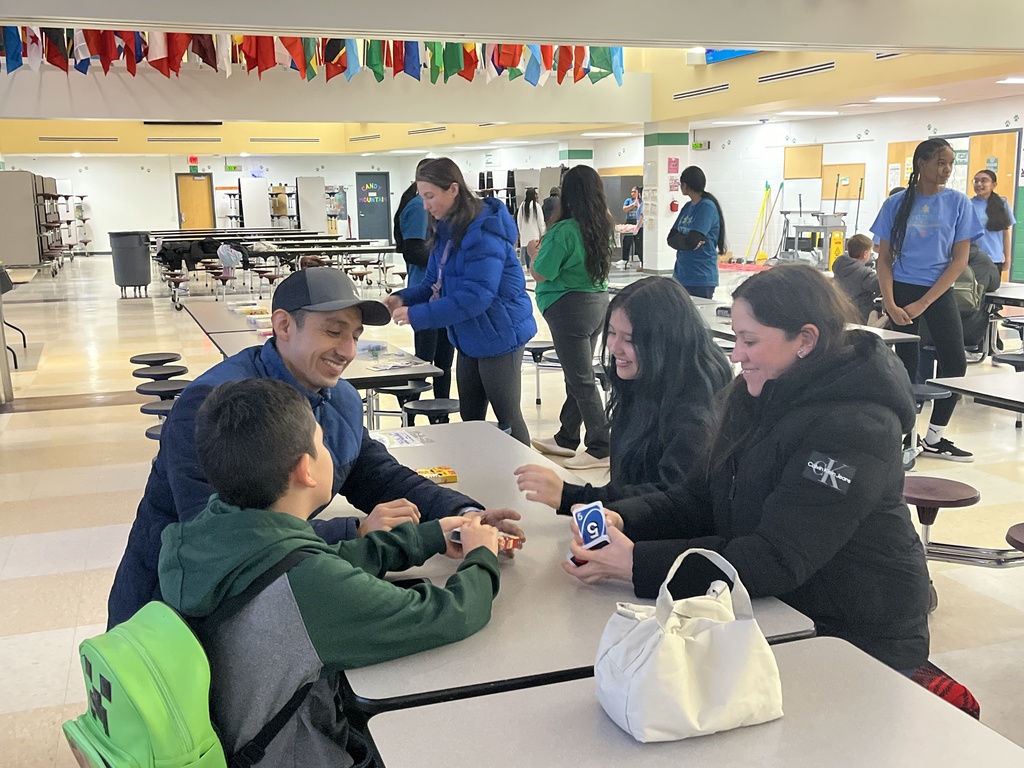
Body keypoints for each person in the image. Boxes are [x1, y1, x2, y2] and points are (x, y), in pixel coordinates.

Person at [562, 264, 931, 673]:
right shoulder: (753, 393)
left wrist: (637, 563)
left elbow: (776, 558)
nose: (736, 354)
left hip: (858, 636)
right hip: (775, 610)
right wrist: (624, 518)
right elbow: (697, 498)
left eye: (749, 340)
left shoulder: (856, 427)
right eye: (736, 337)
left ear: (805, 340)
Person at [108, 267, 521, 628]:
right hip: (173, 616)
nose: (347, 351)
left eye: (355, 336)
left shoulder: (337, 397)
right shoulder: (216, 408)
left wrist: (462, 514)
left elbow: (375, 475)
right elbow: (216, 536)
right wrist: (356, 532)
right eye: (333, 331)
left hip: (269, 594)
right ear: (283, 325)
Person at [160, 378, 501, 765]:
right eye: (322, 443)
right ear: (306, 470)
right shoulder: (309, 588)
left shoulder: (205, 535)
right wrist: (482, 556)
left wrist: (426, 538)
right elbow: (447, 614)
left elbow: (312, 560)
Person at [514, 277, 732, 511]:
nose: (614, 347)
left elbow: (671, 499)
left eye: (629, 339)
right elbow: (626, 482)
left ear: (665, 341)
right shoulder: (642, 381)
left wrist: (572, 496)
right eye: (611, 332)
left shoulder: (694, 414)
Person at [385, 157, 537, 445]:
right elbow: (433, 284)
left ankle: (526, 472)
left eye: (430, 196)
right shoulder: (446, 231)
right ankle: (480, 469)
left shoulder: (484, 233)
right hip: (468, 336)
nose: (425, 205)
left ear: (453, 189)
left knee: (507, 417)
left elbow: (476, 297)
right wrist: (401, 297)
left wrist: (418, 315)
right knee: (470, 417)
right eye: (422, 197)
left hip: (500, 335)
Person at [871, 138, 984, 462]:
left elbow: (959, 261)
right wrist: (890, 303)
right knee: (905, 367)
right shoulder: (896, 204)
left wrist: (924, 303)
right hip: (901, 291)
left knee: (955, 363)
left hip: (937, 292)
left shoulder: (958, 203)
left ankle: (934, 437)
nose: (946, 169)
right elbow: (883, 259)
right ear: (921, 164)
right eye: (940, 162)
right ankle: (905, 438)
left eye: (950, 163)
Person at [525, 165, 614, 469]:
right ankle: (567, 436)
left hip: (568, 309)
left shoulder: (563, 231)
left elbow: (541, 272)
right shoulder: (603, 226)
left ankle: (601, 445)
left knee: (580, 379)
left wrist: (533, 252)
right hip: (597, 304)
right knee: (577, 374)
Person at [393, 158, 455, 421]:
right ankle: (412, 414)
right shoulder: (419, 206)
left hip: (439, 295)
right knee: (426, 361)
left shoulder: (425, 205)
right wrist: (446, 258)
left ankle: (440, 415)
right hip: (425, 293)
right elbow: (413, 249)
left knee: (442, 361)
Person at [670, 166, 727, 299]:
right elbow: (671, 238)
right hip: (681, 275)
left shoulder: (706, 207)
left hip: (700, 276)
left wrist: (684, 240)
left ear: (686, 185)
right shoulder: (687, 207)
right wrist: (685, 241)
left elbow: (692, 240)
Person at [970, 169, 1015, 277]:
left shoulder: (1002, 203)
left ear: (994, 185)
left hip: (995, 259)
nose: (979, 184)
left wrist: (1008, 258)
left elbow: (1005, 234)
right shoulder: (968, 204)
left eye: (984, 180)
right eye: (976, 181)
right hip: (974, 258)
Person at [832, 233, 879, 323]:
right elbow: (881, 286)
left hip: (842, 312)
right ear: (865, 254)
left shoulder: (839, 267)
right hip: (861, 316)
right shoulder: (864, 274)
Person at [516, 187, 546, 270]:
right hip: (534, 235)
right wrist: (543, 233)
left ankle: (526, 268)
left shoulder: (522, 206)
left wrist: (521, 231)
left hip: (524, 234)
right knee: (534, 253)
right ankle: (533, 268)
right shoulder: (536, 206)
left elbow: (519, 221)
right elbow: (541, 222)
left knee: (524, 252)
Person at [620, 186, 644, 268]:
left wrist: (638, 205)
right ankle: (625, 259)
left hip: (638, 222)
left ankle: (641, 260)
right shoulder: (628, 200)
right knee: (627, 241)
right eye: (632, 192)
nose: (632, 193)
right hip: (629, 221)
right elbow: (624, 209)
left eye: (634, 192)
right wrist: (633, 205)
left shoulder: (642, 202)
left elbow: (642, 213)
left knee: (639, 243)